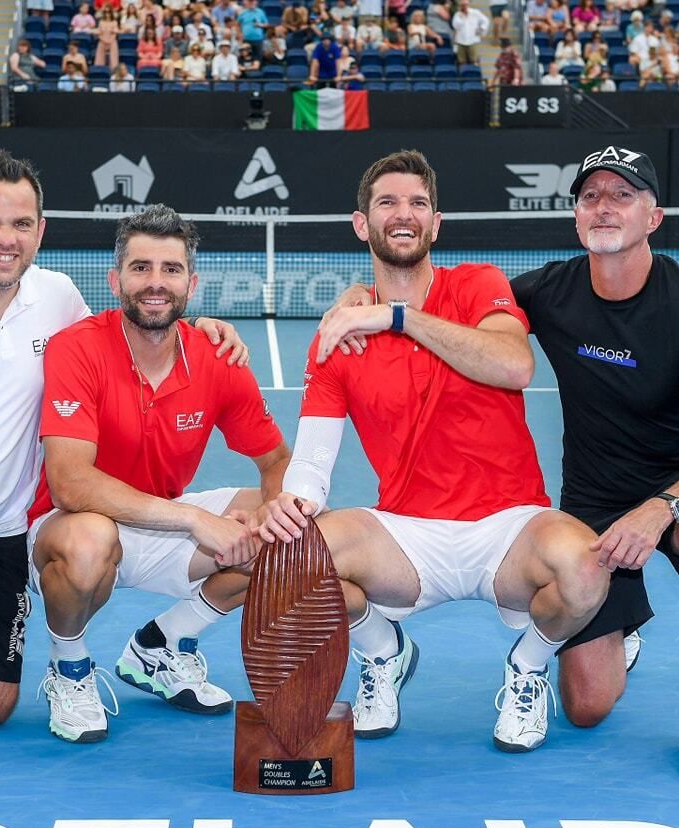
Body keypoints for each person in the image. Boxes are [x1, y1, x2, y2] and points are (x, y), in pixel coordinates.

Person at [258, 149, 609, 752]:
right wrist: (293, 504)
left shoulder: (477, 284)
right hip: (408, 535)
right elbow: (313, 463)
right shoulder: (338, 336)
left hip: (509, 527)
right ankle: (383, 652)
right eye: (388, 202)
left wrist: (393, 317)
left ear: (436, 223)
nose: (404, 214)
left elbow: (513, 363)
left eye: (418, 203)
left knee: (585, 568)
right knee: (291, 560)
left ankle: (528, 666)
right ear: (361, 224)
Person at [0, 150, 251, 730]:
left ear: (40, 230)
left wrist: (201, 330)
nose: (5, 240)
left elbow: (124, 344)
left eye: (21, 224)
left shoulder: (58, 297)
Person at [27, 205, 290, 743]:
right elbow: (71, 484)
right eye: (140, 267)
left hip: (161, 520)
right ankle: (69, 666)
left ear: (191, 283)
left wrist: (269, 511)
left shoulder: (217, 359)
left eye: (170, 270)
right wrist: (196, 519)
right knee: (90, 539)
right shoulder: (77, 347)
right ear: (115, 279)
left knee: (293, 527)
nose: (155, 283)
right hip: (69, 526)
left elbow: (276, 461)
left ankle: (161, 645)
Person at [508, 145, 678, 729]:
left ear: (653, 217)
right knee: (587, 707)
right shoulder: (548, 292)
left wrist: (662, 507)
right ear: (577, 216)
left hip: (676, 489)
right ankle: (622, 628)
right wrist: (372, 300)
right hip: (595, 502)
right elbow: (453, 303)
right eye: (591, 196)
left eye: (622, 195)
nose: (604, 207)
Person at [452, 0, 489, 65]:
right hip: (461, 41)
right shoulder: (457, 15)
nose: (464, 7)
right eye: (463, 5)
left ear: (468, 4)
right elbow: (455, 26)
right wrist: (461, 17)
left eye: (466, 5)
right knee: (461, 62)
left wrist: (481, 28)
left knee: (474, 61)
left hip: (473, 41)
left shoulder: (476, 13)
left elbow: (485, 20)